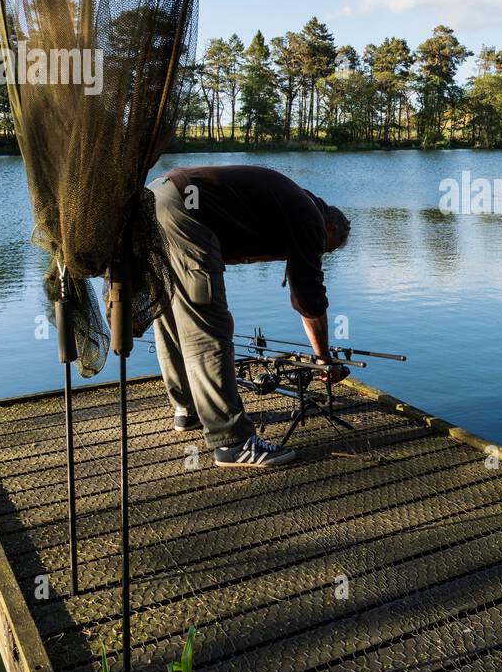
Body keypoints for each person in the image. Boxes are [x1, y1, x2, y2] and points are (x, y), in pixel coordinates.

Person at [147, 164, 351, 468]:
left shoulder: (292, 203)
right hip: (186, 209)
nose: (322, 253)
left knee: (173, 311)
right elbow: (309, 300)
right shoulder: (311, 220)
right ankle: (232, 442)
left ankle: (187, 410)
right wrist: (323, 357)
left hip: (155, 198)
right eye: (328, 249)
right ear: (330, 228)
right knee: (208, 326)